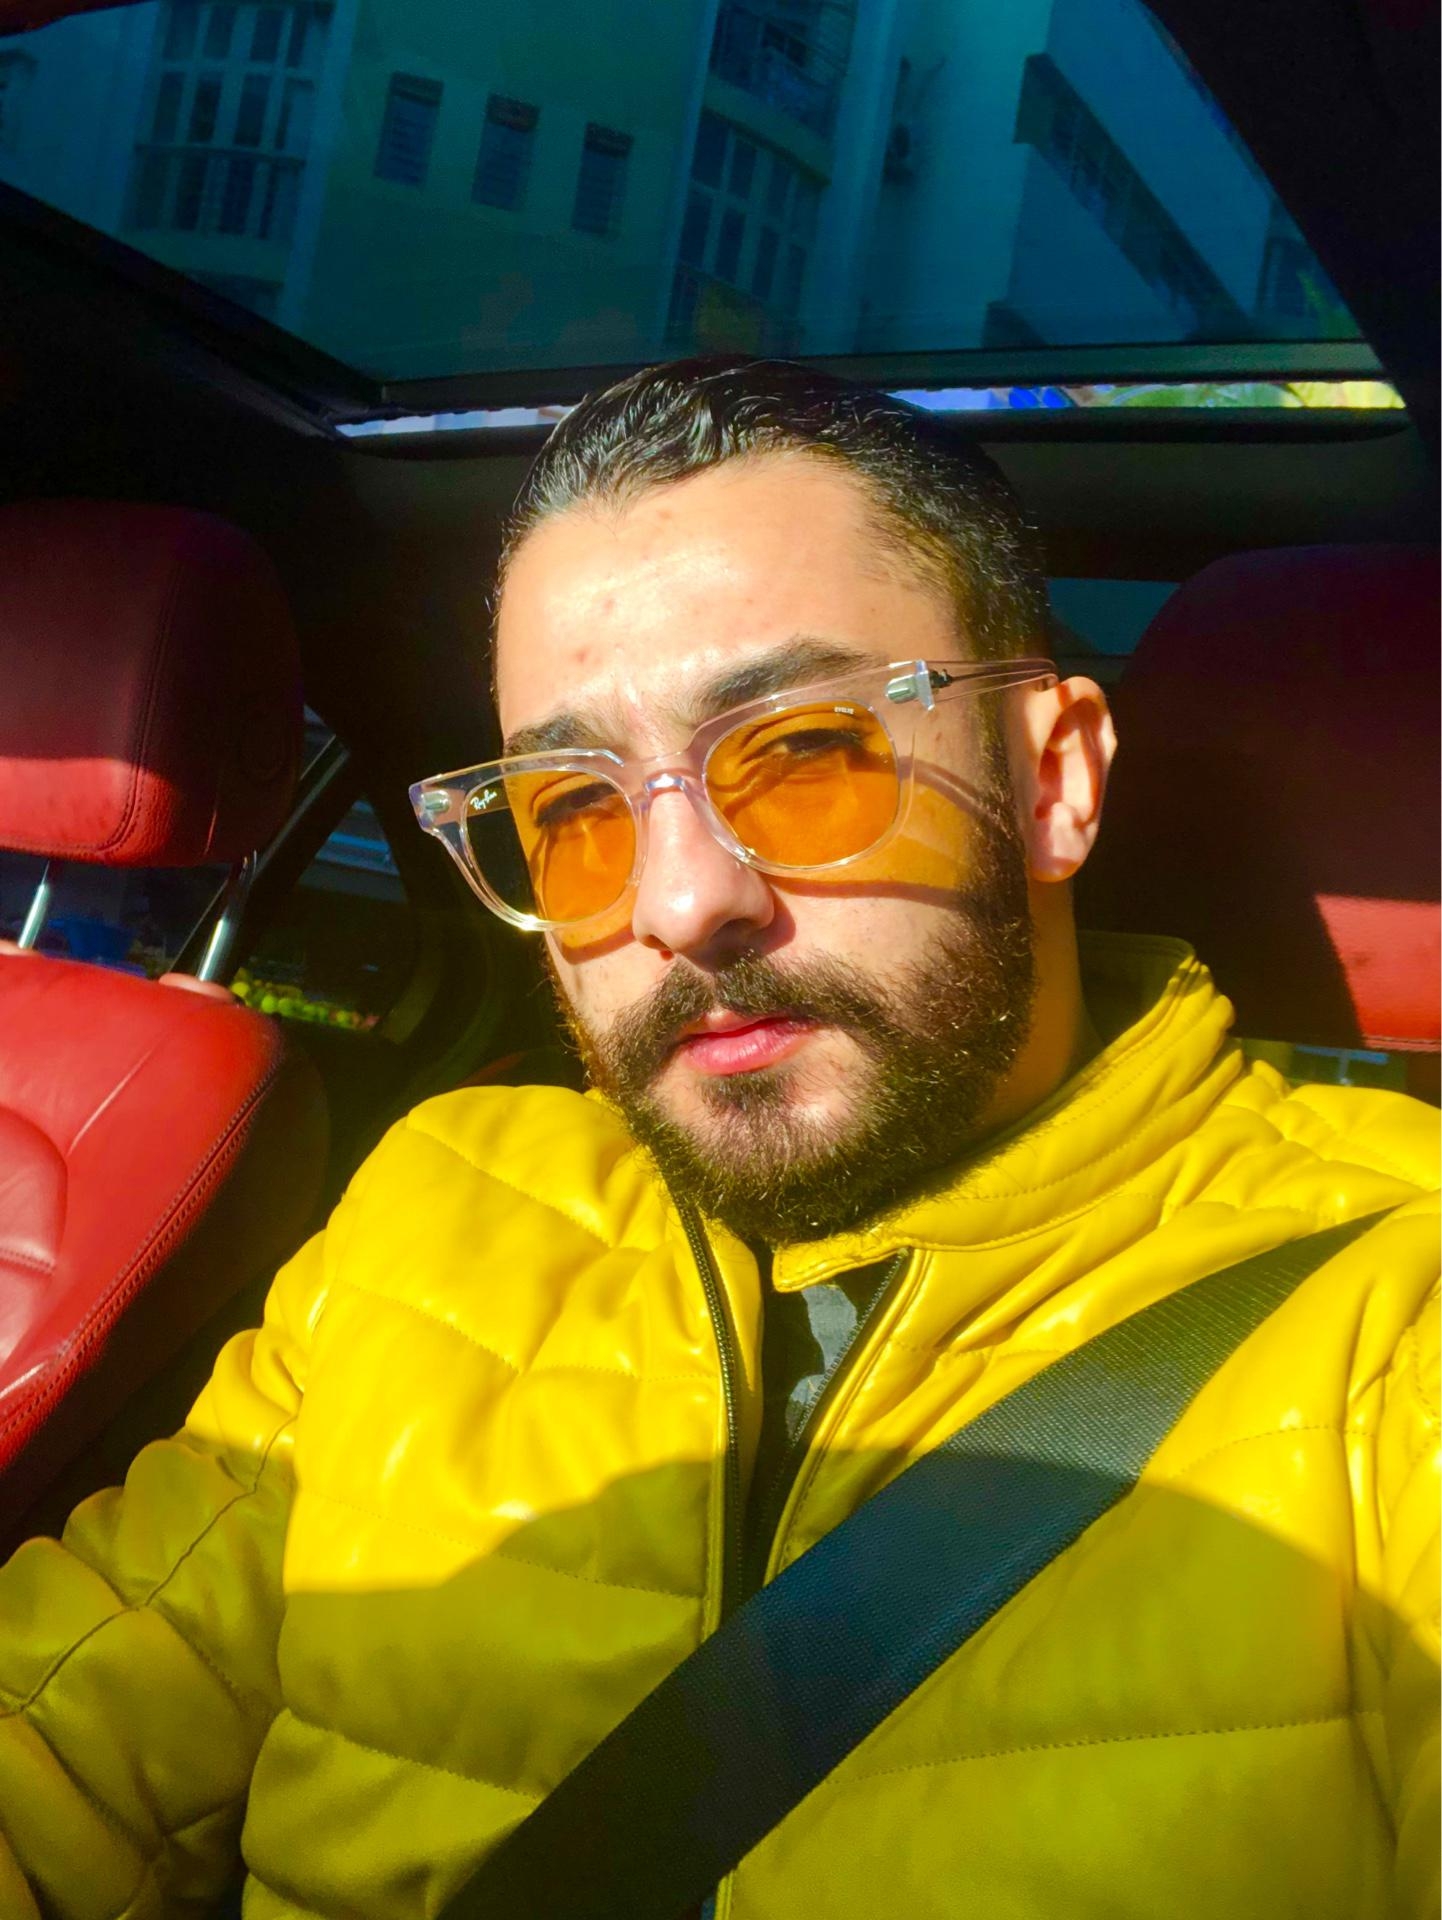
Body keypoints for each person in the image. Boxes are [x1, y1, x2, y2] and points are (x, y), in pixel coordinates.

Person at [0, 359, 1435, 1918]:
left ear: (1049, 779)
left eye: (806, 756)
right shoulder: (436, 1211)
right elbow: (56, 1730)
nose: (681, 902)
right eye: (573, 809)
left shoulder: (1392, 1317)